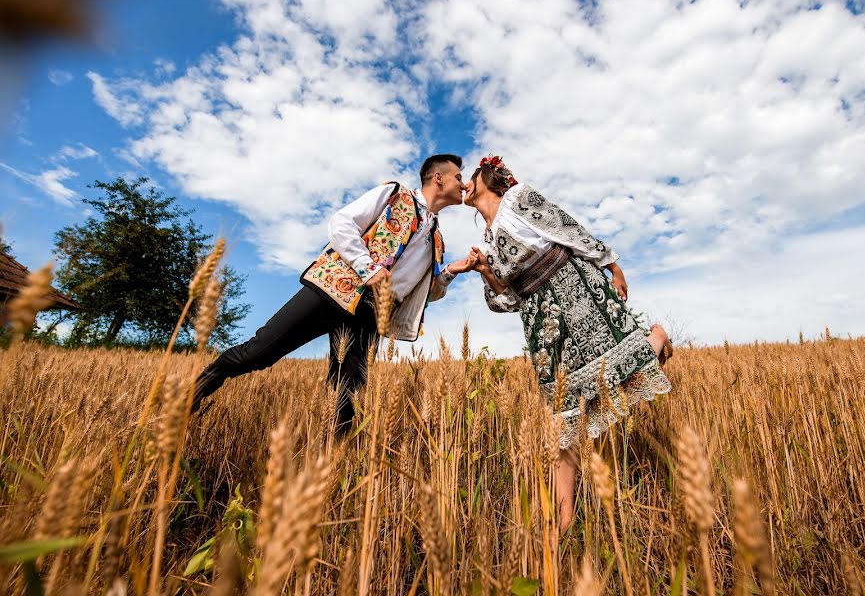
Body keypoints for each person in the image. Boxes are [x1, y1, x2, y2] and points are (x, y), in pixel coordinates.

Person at [450, 155, 673, 533]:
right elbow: (508, 299)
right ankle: (564, 518)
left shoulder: (519, 198)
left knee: (617, 374)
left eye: (468, 177)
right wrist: (485, 271)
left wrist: (611, 264)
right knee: (562, 415)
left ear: (486, 178)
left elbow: (567, 228)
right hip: (540, 318)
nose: (464, 185)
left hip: (573, 290)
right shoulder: (487, 240)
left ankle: (656, 338)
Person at [192, 154, 475, 436]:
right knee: (259, 351)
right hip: (334, 289)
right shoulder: (394, 194)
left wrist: (451, 271)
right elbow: (341, 224)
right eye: (458, 177)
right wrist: (368, 269)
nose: (463, 185)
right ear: (438, 178)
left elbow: (426, 292)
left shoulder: (437, 238)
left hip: (371, 313)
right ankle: (188, 398)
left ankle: (334, 458)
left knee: (348, 393)